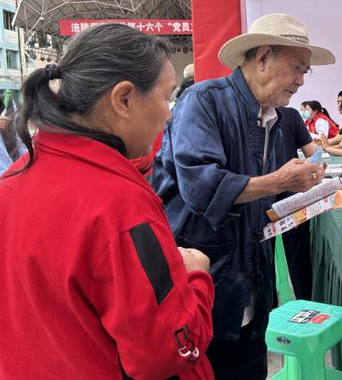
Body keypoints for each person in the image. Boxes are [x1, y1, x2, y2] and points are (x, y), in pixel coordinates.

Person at [0, 24, 216, 379]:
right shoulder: (119, 203)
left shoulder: (14, 180)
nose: (169, 113)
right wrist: (196, 279)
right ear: (124, 99)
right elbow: (165, 353)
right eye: (165, 97)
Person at [152, 13, 334, 379]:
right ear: (263, 56)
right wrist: (278, 181)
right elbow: (202, 187)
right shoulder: (203, 101)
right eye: (297, 67)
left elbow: (255, 196)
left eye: (306, 71)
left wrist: (296, 199)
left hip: (251, 275)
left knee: (250, 364)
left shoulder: (277, 117)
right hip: (207, 278)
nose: (301, 80)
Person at [275, 106, 318, 300]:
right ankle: (305, 301)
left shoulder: (290, 115)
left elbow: (313, 153)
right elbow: (313, 153)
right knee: (297, 256)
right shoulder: (290, 115)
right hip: (288, 197)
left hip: (261, 198)